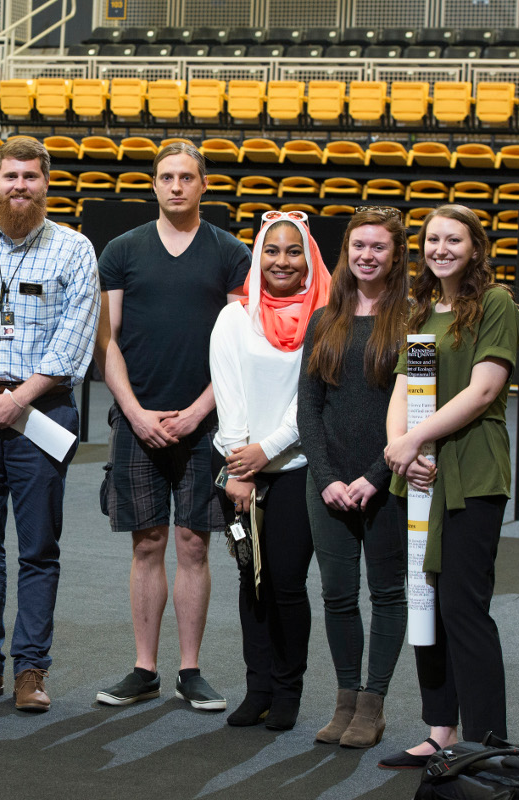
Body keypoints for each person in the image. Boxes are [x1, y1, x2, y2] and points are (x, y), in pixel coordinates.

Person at [0, 137, 100, 712]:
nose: (20, 186)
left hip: (43, 411)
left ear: (46, 183)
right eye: (10, 176)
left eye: (30, 176)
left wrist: (20, 399)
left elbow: (75, 340)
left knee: (38, 548)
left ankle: (31, 669)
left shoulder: (75, 250)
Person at [93, 142, 250, 709]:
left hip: (207, 425)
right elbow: (106, 341)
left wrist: (200, 411)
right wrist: (135, 412)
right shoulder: (121, 251)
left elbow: (240, 348)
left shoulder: (232, 253)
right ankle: (144, 667)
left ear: (204, 184)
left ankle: (189, 670)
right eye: (166, 177)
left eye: (187, 177)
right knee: (147, 543)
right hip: (139, 419)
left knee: (193, 544)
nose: (177, 185)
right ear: (154, 185)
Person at [379, 205, 519, 768]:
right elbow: (401, 391)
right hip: (417, 473)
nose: (441, 248)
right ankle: (441, 731)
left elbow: (484, 390)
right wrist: (399, 448)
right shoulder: (421, 309)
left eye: (453, 239)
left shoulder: (495, 303)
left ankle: (489, 746)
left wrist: (414, 442)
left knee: (464, 607)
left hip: (472, 468)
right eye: (433, 239)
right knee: (427, 605)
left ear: (476, 247)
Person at [210, 210, 330, 731]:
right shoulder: (234, 317)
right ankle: (256, 686)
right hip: (240, 472)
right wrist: (240, 463)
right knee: (248, 579)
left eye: (293, 251)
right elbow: (228, 392)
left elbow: (313, 401)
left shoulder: (327, 319)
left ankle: (287, 690)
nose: (282, 260)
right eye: (272, 251)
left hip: (298, 467)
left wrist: (270, 449)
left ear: (309, 260)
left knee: (284, 581)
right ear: (258, 256)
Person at [298, 208, 409, 747]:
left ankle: (373, 705)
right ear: (346, 252)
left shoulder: (414, 320)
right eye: (359, 246)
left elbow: (418, 413)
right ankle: (345, 700)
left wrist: (374, 477)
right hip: (328, 485)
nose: (367, 256)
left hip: (387, 483)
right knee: (338, 595)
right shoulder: (325, 319)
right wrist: (325, 477)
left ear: (396, 254)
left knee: (387, 594)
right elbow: (308, 410)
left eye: (379, 248)